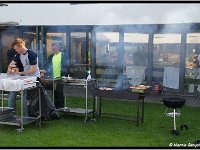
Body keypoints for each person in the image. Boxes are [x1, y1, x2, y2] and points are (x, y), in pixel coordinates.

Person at [7, 38, 40, 116]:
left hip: (34, 78)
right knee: (12, 90)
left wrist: (20, 73)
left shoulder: (31, 53)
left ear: (21, 46)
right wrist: (10, 70)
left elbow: (33, 70)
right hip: (26, 77)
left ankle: (26, 116)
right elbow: (11, 64)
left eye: (16, 49)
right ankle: (10, 114)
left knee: (24, 93)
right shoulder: (18, 54)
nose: (16, 51)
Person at [41, 42, 68, 109]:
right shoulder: (51, 56)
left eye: (54, 48)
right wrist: (44, 71)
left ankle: (61, 106)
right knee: (54, 92)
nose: (53, 50)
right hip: (52, 78)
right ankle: (56, 107)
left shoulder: (63, 55)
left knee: (59, 93)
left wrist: (65, 75)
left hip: (60, 77)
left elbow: (66, 66)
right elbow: (47, 66)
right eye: (52, 48)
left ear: (58, 48)